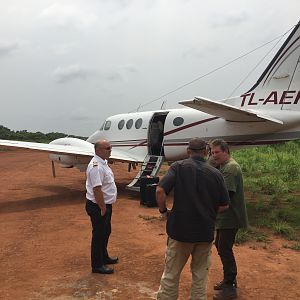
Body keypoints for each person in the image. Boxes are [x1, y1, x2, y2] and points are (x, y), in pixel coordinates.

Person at [156, 138, 230, 300]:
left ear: (188, 152)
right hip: (204, 232)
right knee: (200, 277)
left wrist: (163, 212)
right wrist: (208, 212)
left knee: (171, 275)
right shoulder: (216, 174)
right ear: (206, 152)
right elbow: (224, 206)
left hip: (179, 232)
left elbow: (160, 191)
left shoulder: (178, 167)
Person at [210, 139, 248, 300]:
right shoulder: (223, 165)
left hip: (230, 216)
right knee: (220, 245)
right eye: (212, 152)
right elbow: (209, 166)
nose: (214, 156)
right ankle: (228, 279)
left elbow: (226, 196)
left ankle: (230, 285)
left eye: (217, 152)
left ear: (226, 151)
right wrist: (212, 159)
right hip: (225, 217)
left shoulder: (231, 168)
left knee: (224, 248)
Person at [85, 140, 118, 274]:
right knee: (98, 235)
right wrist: (103, 208)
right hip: (98, 206)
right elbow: (97, 189)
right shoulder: (96, 166)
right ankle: (97, 265)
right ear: (98, 150)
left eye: (110, 148)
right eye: (107, 148)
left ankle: (104, 257)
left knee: (106, 232)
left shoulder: (103, 163)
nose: (110, 150)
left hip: (104, 205)